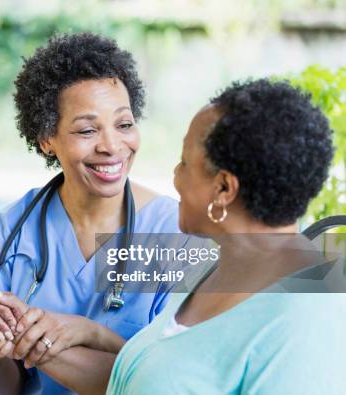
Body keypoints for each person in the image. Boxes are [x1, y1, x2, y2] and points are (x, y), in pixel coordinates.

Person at [0, 32, 188, 394]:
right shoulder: (10, 231)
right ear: (47, 138)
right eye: (87, 129)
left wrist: (70, 336)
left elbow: (171, 380)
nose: (112, 146)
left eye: (124, 124)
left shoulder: (175, 231)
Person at [107, 79, 346, 394]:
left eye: (184, 163)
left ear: (222, 188)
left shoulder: (305, 325)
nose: (175, 176)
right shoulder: (216, 269)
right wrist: (76, 339)